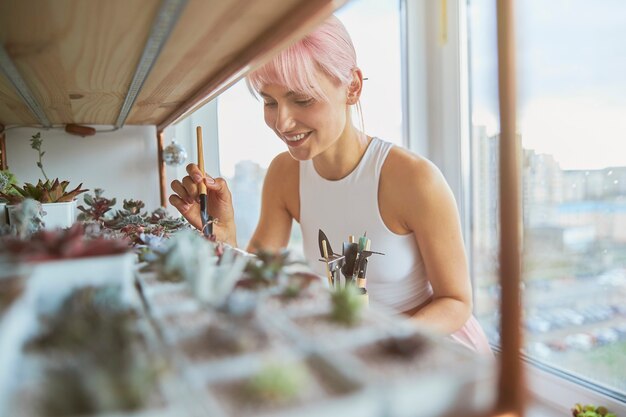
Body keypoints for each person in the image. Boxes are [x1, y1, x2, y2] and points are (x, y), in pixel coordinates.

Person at [170, 15, 491, 354]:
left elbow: (456, 302)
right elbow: (260, 277)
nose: (282, 121)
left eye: (302, 99)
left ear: (352, 87)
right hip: (352, 349)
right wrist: (225, 234)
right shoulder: (285, 173)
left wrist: (379, 337)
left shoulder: (415, 180)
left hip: (427, 346)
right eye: (269, 101)